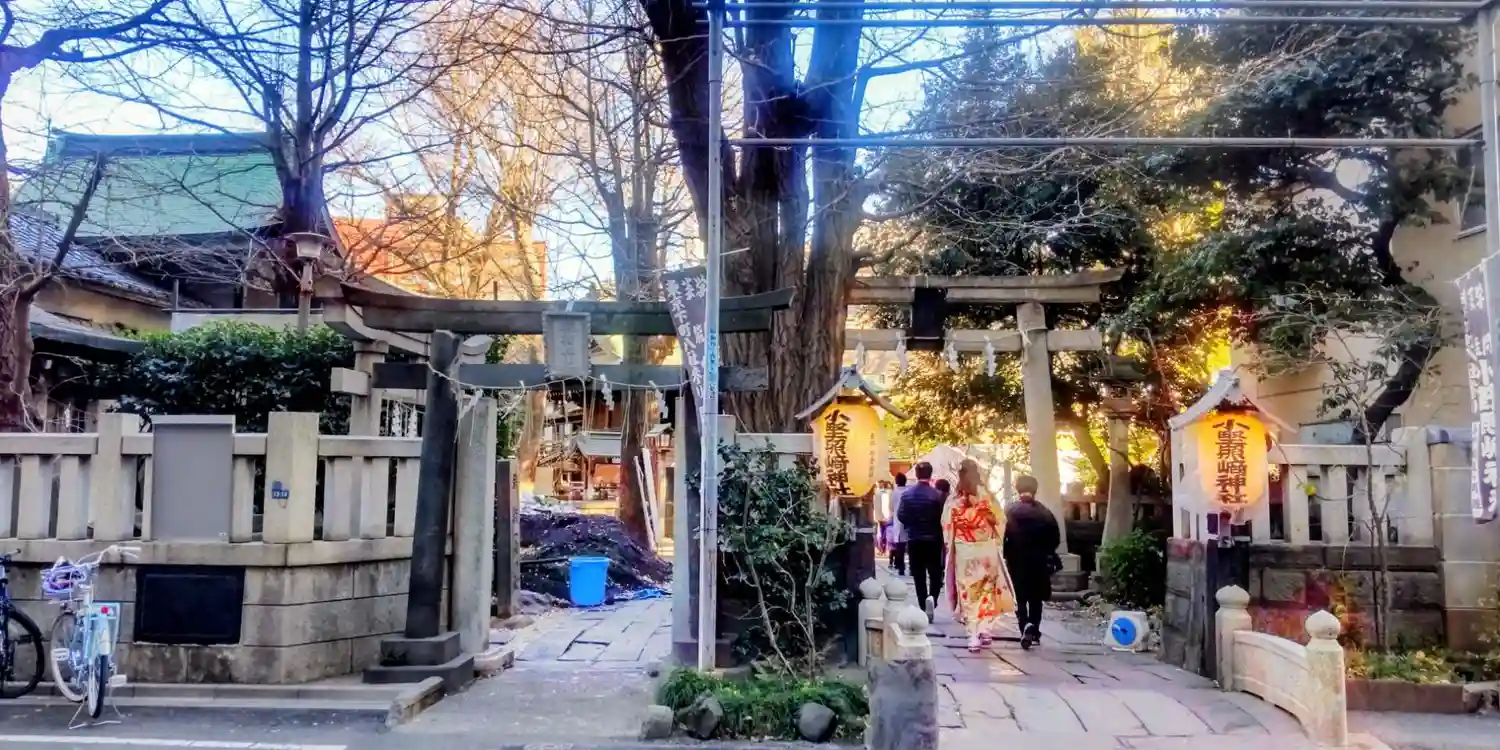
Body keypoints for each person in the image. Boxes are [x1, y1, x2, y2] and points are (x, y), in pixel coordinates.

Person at [941, 458, 1016, 652]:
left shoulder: (954, 499)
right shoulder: (988, 496)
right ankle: (985, 628)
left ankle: (972, 634)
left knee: (968, 592)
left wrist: (952, 543)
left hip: (965, 550)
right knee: (987, 590)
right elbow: (1000, 520)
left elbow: (947, 525)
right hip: (986, 548)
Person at [1003, 474, 1061, 650]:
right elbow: (1055, 538)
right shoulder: (1045, 513)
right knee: (1036, 598)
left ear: (1017, 488)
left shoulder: (1010, 511)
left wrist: (1006, 553)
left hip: (1016, 560)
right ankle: (1034, 628)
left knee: (1019, 597)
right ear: (1035, 490)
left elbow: (1002, 536)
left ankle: (1024, 626)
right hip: (1039, 560)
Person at [897, 461, 945, 622]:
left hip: (914, 538)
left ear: (916, 474)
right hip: (934, 538)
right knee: (935, 572)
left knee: (918, 574)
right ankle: (933, 598)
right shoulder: (938, 495)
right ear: (930, 474)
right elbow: (943, 518)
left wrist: (911, 525)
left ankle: (923, 605)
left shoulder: (907, 495)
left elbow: (901, 515)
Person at [889, 473, 909, 576]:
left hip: (898, 521)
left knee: (900, 547)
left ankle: (901, 567)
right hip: (909, 522)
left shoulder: (894, 492)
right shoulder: (909, 491)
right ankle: (912, 568)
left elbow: (891, 507)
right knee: (910, 546)